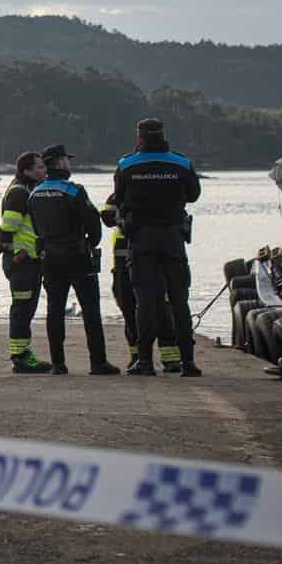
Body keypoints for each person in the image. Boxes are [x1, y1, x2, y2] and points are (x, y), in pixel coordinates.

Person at [111, 117, 202, 378]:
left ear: (139, 137)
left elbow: (118, 198)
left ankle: (145, 364)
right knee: (179, 302)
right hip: (172, 238)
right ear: (162, 135)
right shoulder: (182, 163)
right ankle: (188, 364)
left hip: (141, 240)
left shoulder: (126, 164)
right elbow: (194, 195)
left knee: (145, 303)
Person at [27, 144, 117, 376]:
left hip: (49, 255)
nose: (70, 164)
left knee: (54, 309)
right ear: (59, 163)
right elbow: (93, 224)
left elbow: (35, 226)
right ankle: (98, 363)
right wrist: (91, 244)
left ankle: (58, 363)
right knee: (90, 310)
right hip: (76, 254)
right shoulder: (74, 190)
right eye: (67, 160)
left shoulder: (35, 192)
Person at [102, 202, 180, 372]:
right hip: (124, 264)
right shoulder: (118, 196)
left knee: (161, 308)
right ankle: (137, 355)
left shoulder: (157, 190)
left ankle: (170, 358)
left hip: (151, 261)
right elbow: (106, 217)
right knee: (129, 309)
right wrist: (123, 218)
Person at [0, 150, 51, 373]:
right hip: (21, 261)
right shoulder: (19, 192)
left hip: (28, 260)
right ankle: (20, 356)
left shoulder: (27, 189)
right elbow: (10, 225)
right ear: (26, 170)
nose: (44, 171)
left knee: (26, 308)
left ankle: (23, 353)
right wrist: (3, 244)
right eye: (39, 167)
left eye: (44, 167)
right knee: (22, 308)